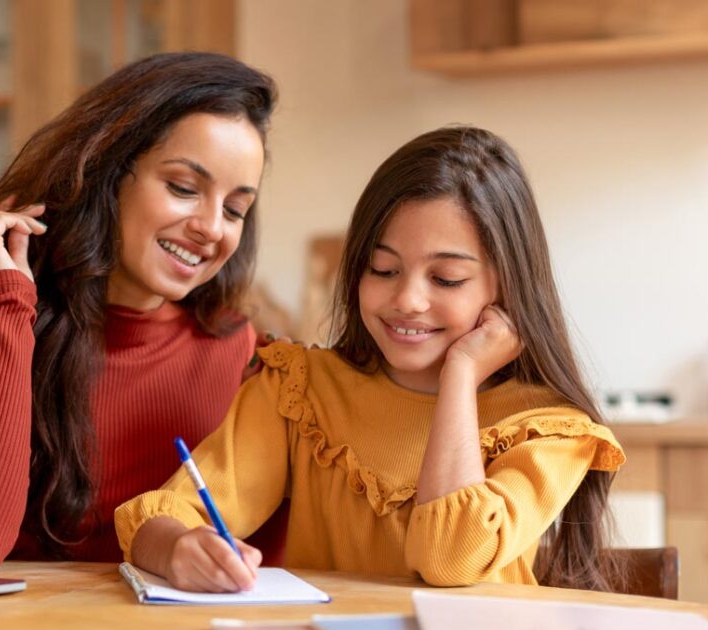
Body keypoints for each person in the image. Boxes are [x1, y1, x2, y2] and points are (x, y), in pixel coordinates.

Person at [115, 126, 627, 594]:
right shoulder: (299, 390)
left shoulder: (549, 430)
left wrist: (461, 374)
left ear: (507, 286)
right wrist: (176, 547)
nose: (407, 299)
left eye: (446, 279)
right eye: (383, 269)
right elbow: (167, 514)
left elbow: (449, 558)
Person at [0, 52, 288, 575]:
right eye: (184, 188)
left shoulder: (238, 347)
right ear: (106, 174)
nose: (211, 227)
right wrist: (7, 307)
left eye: (234, 210)